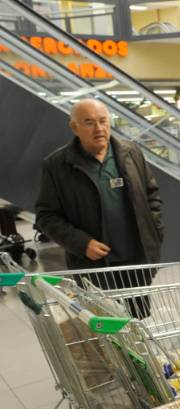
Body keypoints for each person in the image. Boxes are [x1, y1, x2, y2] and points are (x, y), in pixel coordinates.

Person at [35, 99, 163, 315]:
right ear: (74, 127)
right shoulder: (57, 166)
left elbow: (152, 195)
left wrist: (155, 233)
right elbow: (46, 215)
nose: (99, 128)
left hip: (136, 262)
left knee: (139, 321)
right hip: (94, 267)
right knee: (105, 325)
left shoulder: (131, 153)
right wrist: (81, 243)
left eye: (103, 121)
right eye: (89, 122)